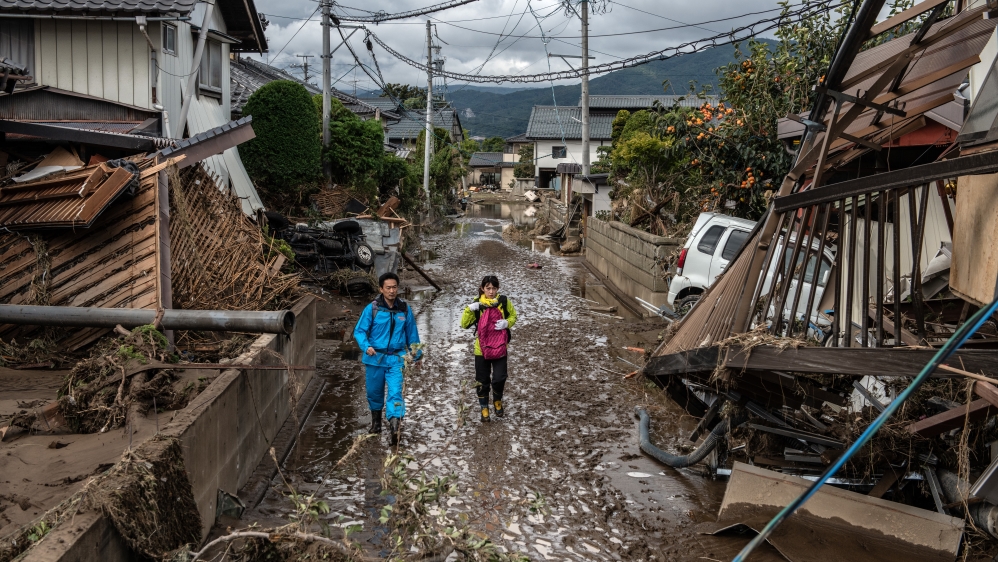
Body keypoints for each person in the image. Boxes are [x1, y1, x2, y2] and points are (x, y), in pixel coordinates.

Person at [353, 272, 421, 446]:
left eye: (394, 287)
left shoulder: (404, 309)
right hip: (375, 357)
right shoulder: (373, 308)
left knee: (395, 392)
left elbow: (412, 334)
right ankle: (376, 424)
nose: (392, 291)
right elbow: (360, 331)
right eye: (388, 287)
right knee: (374, 393)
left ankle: (394, 427)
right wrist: (365, 346)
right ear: (381, 289)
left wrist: (416, 355)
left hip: (397, 358)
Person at [460, 275, 518, 422]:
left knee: (499, 378)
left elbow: (513, 316)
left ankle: (497, 400)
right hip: (481, 349)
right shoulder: (477, 304)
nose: (491, 292)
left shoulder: (503, 302)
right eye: (488, 288)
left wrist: (507, 323)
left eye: (494, 288)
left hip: (500, 348)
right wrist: (469, 309)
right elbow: (464, 324)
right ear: (482, 289)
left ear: (498, 288)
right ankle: (484, 408)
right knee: (482, 380)